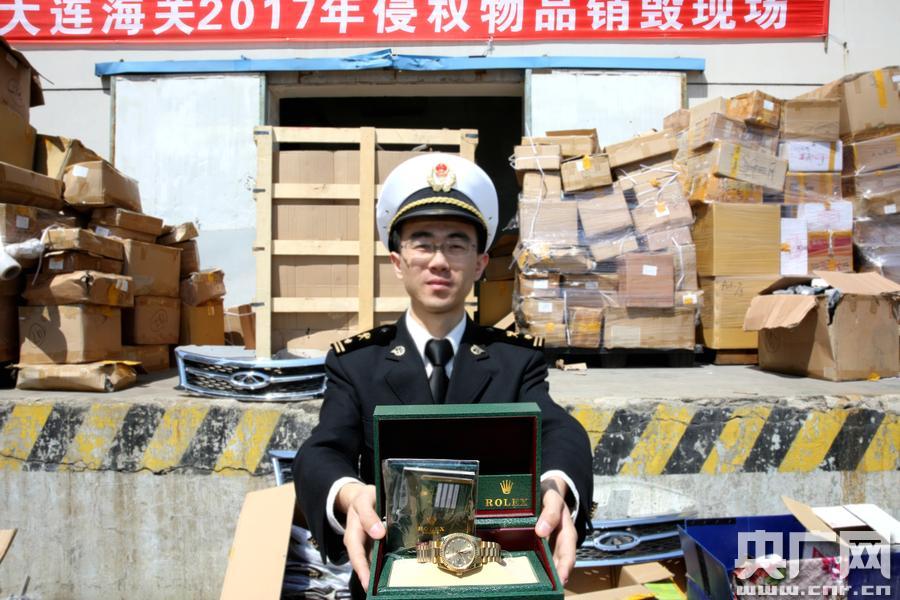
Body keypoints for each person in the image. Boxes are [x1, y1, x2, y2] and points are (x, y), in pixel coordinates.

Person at [292, 153, 593, 597]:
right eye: (422, 244)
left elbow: (558, 428)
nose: (439, 261)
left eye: (456, 245)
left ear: (480, 263)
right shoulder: (358, 364)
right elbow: (322, 449)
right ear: (397, 261)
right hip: (393, 570)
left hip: (495, 571)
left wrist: (556, 485)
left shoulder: (514, 360)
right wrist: (351, 494)